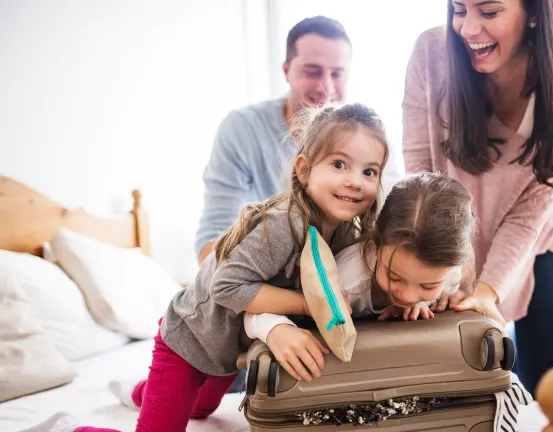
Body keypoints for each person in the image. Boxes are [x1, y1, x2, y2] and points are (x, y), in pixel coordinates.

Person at [50, 102, 390, 432]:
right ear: (303, 169)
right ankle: (70, 427)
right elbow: (227, 287)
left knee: (201, 409)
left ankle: (138, 391)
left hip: (228, 349)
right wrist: (306, 303)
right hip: (188, 340)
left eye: (369, 171)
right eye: (339, 165)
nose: (355, 181)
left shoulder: (346, 230)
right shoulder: (282, 226)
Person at [401, 0, 553, 394]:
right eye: (459, 9)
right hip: (453, 240)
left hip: (533, 243)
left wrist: (488, 291)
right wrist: (443, 270)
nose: (469, 29)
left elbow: (531, 211)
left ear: (535, 13)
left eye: (489, 12)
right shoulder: (431, 53)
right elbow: (421, 174)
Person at [243, 172, 476, 382]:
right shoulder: (347, 279)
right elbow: (253, 308)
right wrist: (275, 329)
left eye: (428, 285)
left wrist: (427, 302)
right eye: (394, 276)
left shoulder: (450, 273)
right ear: (376, 243)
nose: (407, 295)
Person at [195, 15, 353, 265]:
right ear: (286, 71)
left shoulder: (367, 136)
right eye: (312, 72)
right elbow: (211, 246)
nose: (326, 87)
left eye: (337, 73)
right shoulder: (241, 130)